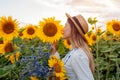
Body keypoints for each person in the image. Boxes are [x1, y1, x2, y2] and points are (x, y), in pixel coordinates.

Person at [51, 13, 95, 80]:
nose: (63, 29)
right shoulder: (74, 51)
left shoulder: (78, 55)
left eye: (65, 26)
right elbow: (61, 66)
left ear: (73, 29)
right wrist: (54, 49)